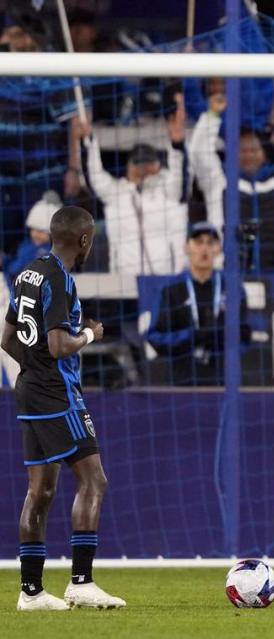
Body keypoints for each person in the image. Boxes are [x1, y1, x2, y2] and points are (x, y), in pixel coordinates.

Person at [1, 206, 125, 611]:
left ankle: (31, 592)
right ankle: (81, 582)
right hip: (58, 393)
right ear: (85, 240)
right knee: (94, 480)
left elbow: (6, 339)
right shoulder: (59, 279)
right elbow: (58, 346)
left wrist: (33, 368)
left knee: (41, 490)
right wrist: (90, 332)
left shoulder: (27, 274)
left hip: (28, 390)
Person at [189, 92, 274, 272]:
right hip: (225, 275)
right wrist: (211, 116)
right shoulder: (217, 182)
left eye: (254, 149)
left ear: (264, 154)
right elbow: (199, 153)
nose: (247, 155)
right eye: (242, 150)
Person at [78, 94, 187, 275]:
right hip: (125, 280)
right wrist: (89, 142)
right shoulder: (116, 192)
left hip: (166, 279)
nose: (143, 169)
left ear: (159, 165)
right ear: (128, 167)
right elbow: (94, 176)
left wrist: (176, 144)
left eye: (148, 163)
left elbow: (179, 170)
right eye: (138, 164)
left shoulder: (169, 190)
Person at [145, 223, 251, 386]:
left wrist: (219, 337)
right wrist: (192, 336)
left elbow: (244, 339)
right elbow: (155, 338)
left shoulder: (233, 288)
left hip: (224, 382)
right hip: (182, 382)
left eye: (210, 243)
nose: (204, 249)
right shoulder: (171, 289)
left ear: (218, 249)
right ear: (187, 247)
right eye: (199, 242)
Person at [5, 193, 58, 290]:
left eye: (41, 231)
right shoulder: (26, 246)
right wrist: (6, 262)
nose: (36, 234)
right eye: (33, 229)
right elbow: (15, 267)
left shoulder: (50, 251)